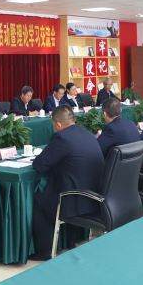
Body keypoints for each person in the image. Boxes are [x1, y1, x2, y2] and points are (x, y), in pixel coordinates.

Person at [31, 106, 104, 260]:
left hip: (75, 199)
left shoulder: (62, 138)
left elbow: (39, 165)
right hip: (95, 195)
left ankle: (45, 251)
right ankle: (71, 240)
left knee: (40, 200)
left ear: (58, 124)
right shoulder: (86, 132)